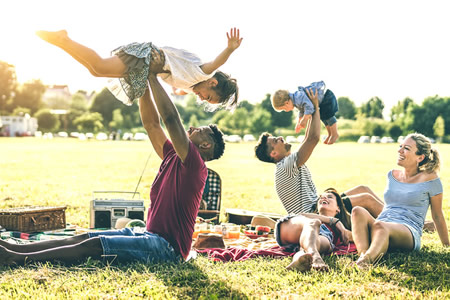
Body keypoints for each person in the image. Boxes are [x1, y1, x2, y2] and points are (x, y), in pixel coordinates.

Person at [0, 66, 226, 266]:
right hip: (149, 234)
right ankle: (14, 249)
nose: (193, 127)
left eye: (199, 130)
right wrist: (143, 84)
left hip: (167, 249)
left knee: (96, 245)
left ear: (205, 145)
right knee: (85, 237)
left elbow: (170, 119)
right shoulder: (173, 155)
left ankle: (16, 259)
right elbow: (151, 124)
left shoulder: (195, 164)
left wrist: (153, 76)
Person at [35, 28, 243, 110]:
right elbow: (217, 63)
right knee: (99, 65)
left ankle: (62, 42)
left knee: (96, 71)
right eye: (208, 97)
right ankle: (64, 39)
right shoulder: (202, 72)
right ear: (213, 82)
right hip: (145, 57)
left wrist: (178, 91)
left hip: (144, 66)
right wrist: (230, 49)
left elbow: (180, 88)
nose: (201, 98)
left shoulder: (191, 84)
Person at [255, 89, 383, 217]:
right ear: (273, 154)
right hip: (314, 214)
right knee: (366, 199)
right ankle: (397, 227)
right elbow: (313, 138)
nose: (280, 138)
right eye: (275, 141)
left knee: (363, 189)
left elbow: (307, 138)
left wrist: (309, 108)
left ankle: (394, 218)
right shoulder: (285, 167)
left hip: (318, 206)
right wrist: (315, 107)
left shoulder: (287, 163)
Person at [351, 133, 449, 269]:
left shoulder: (431, 179)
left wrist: (447, 246)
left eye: (406, 148)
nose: (400, 150)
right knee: (357, 211)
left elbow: (437, 215)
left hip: (408, 231)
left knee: (381, 226)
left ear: (420, 157)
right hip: (383, 222)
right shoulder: (392, 175)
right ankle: (365, 256)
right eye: (400, 146)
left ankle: (366, 261)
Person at [275, 188, 352, 271]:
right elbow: (302, 215)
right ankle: (315, 256)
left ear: (338, 208)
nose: (323, 198)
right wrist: (332, 220)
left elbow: (357, 236)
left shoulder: (340, 230)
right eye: (321, 197)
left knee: (317, 244)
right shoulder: (310, 217)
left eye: (329, 197)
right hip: (292, 228)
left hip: (321, 237)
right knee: (314, 222)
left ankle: (299, 260)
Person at [272, 81, 339, 144]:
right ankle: (330, 134)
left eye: (284, 109)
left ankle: (334, 134)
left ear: (286, 103)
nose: (286, 111)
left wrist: (305, 119)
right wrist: (299, 121)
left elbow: (309, 107)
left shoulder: (298, 97)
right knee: (324, 118)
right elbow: (302, 111)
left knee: (329, 116)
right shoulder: (296, 102)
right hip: (321, 102)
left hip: (326, 97)